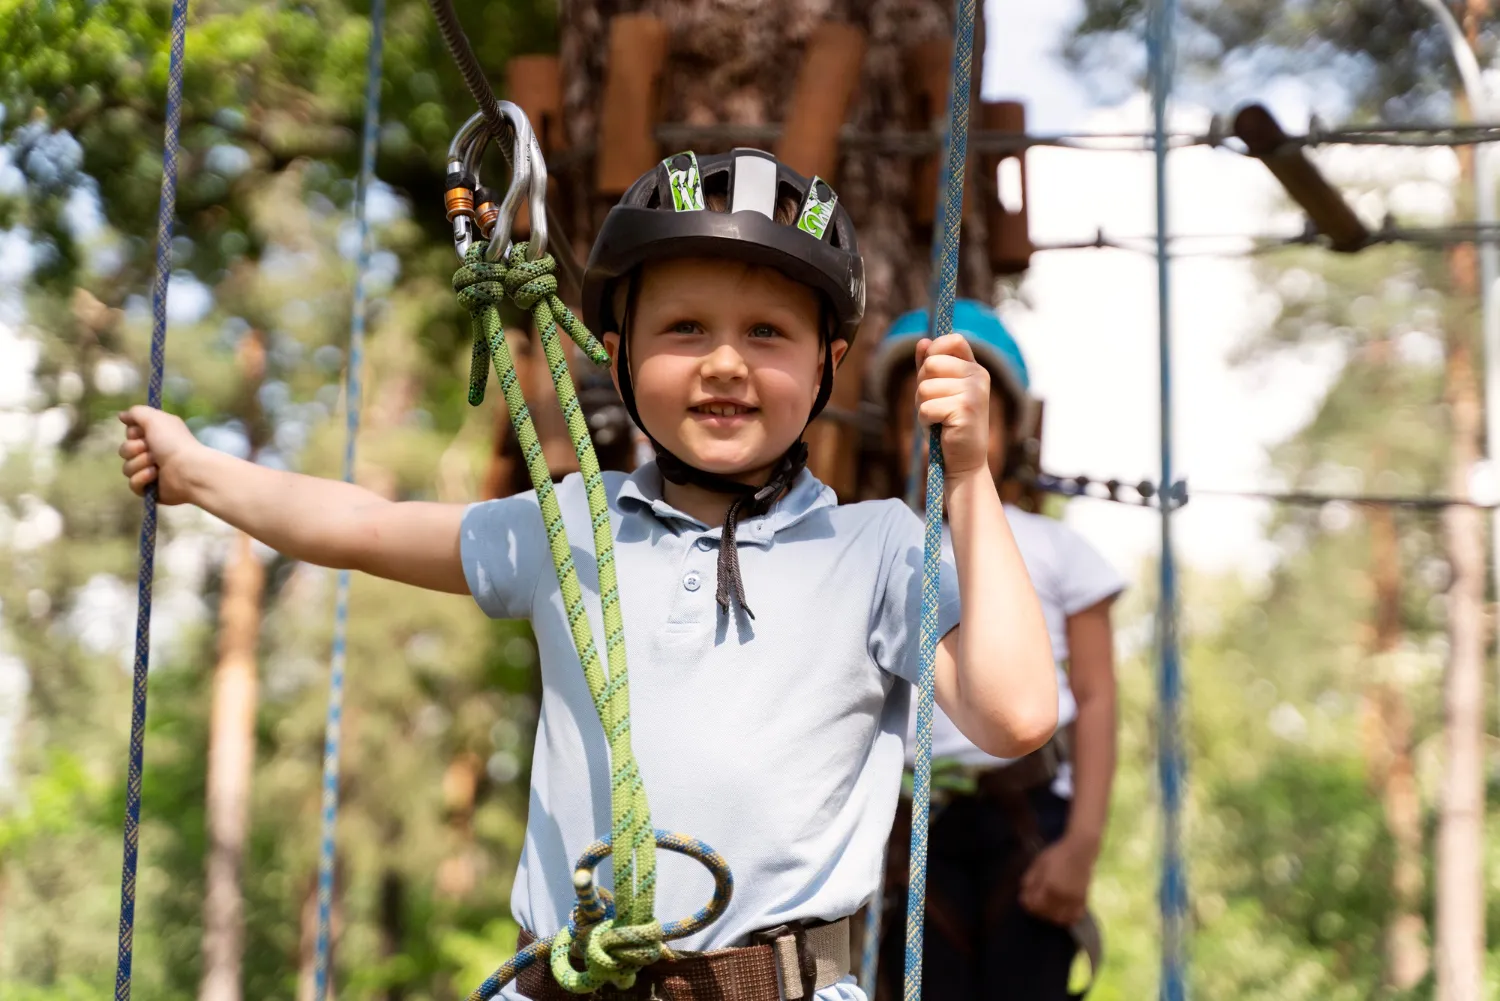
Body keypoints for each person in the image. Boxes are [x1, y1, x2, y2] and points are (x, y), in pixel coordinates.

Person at [118, 150, 1058, 1001]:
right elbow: (367, 525)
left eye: (768, 333)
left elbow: (1014, 712)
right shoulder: (572, 526)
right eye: (685, 327)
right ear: (617, 354)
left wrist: (967, 476)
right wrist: (201, 473)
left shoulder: (878, 551)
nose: (726, 361)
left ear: (828, 364)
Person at [867, 300, 1124, 1001]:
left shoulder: (1054, 547)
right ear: (891, 432)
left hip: (1028, 818)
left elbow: (1098, 698)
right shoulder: (879, 543)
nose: (935, 433)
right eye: (915, 418)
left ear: (1007, 428)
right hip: (911, 824)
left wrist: (1083, 844)